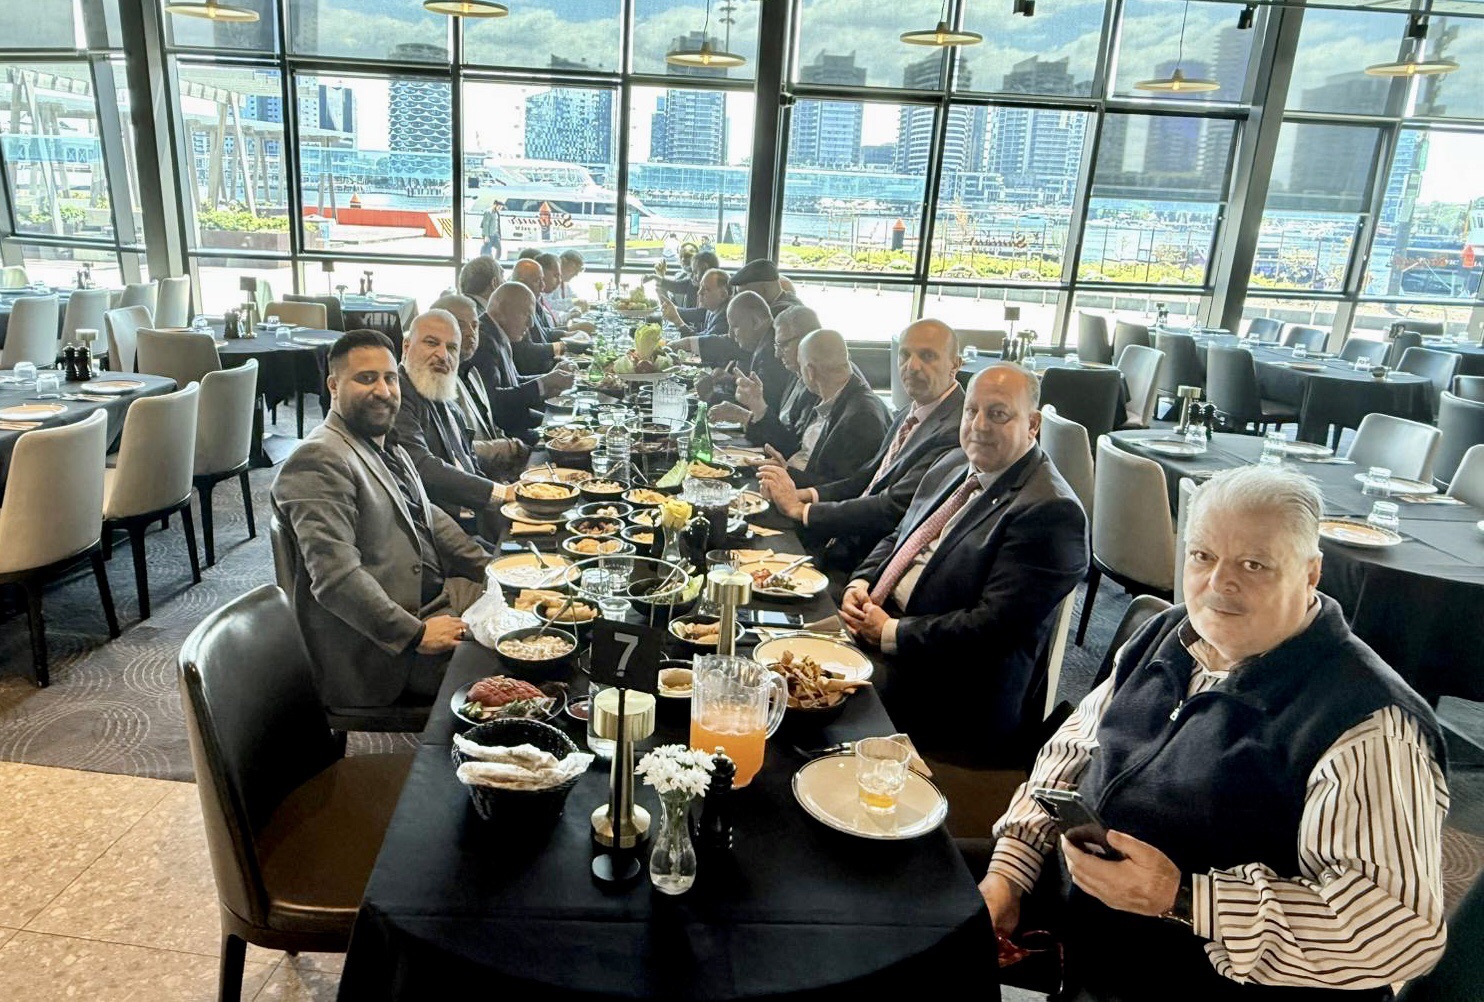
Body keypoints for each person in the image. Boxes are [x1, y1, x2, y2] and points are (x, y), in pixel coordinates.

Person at [981, 465, 1449, 1000]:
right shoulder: (1167, 635)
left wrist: (1185, 899)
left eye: (1254, 564)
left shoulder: (1366, 722)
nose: (1220, 583)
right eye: (1202, 556)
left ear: (1311, 573)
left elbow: (1400, 932)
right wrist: (1009, 873)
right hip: (1088, 943)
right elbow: (1071, 753)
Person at [842, 363, 1088, 754]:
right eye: (972, 410)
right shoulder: (954, 463)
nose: (979, 426)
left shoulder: (1051, 512)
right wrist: (862, 582)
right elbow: (900, 536)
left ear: (1033, 424)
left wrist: (890, 632)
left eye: (998, 414)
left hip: (949, 691)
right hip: (885, 630)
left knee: (812, 710)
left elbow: (992, 630)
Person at [271, 329, 491, 711]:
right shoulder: (319, 460)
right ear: (333, 386)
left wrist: (491, 570)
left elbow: (427, 515)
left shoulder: (382, 441)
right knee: (517, 659)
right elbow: (336, 578)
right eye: (366, 378)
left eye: (390, 378)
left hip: (432, 599)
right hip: (384, 652)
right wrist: (416, 634)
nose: (384, 391)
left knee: (536, 607)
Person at [759, 319, 965, 570]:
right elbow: (866, 478)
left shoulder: (956, 429)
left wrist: (801, 510)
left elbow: (893, 506)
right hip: (846, 539)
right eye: (905, 355)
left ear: (955, 364)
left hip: (871, 559)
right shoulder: (910, 411)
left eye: (927, 356)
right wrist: (803, 494)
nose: (912, 366)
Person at [392, 310, 520, 538]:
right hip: (439, 534)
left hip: (477, 520)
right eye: (431, 343)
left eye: (451, 348)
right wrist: (501, 493)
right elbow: (421, 466)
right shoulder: (398, 396)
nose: (443, 355)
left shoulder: (446, 400)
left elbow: (469, 464)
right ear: (406, 346)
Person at [757, 329, 889, 487]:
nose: (798, 374)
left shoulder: (862, 417)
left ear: (810, 372)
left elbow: (848, 488)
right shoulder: (824, 394)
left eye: (800, 366)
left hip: (806, 495)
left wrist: (786, 473)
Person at [428, 293, 528, 476]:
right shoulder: (431, 383)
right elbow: (452, 451)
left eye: (474, 325)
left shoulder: (472, 372)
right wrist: (508, 447)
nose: (470, 333)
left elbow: (490, 428)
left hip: (500, 471)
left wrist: (513, 447)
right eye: (460, 325)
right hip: (473, 482)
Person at [710, 305, 822, 454]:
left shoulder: (819, 383)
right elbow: (780, 432)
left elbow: (793, 449)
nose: (777, 354)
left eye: (783, 345)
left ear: (807, 339)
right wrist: (755, 409)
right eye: (776, 345)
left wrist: (750, 414)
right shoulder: (794, 374)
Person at [470, 282, 574, 443]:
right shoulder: (483, 341)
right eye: (526, 314)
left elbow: (513, 381)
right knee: (568, 437)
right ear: (501, 310)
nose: (531, 324)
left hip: (518, 418)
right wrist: (542, 385)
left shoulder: (497, 332)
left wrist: (550, 378)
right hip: (506, 434)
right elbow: (495, 402)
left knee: (573, 424)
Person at [509, 259, 567, 373]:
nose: (542, 286)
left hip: (548, 366)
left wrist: (567, 334)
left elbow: (543, 333)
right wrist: (563, 346)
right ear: (521, 282)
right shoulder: (514, 306)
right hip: (535, 372)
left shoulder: (534, 300)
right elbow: (526, 351)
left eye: (543, 280)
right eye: (537, 281)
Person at [664, 268, 734, 346]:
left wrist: (678, 322)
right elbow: (702, 333)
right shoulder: (713, 308)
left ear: (723, 295)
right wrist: (673, 310)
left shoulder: (727, 318)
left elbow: (702, 343)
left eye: (706, 289)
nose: (699, 292)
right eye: (700, 287)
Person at [731, 259, 803, 317]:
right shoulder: (788, 300)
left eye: (746, 295)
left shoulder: (780, 313)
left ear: (764, 288)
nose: (742, 299)